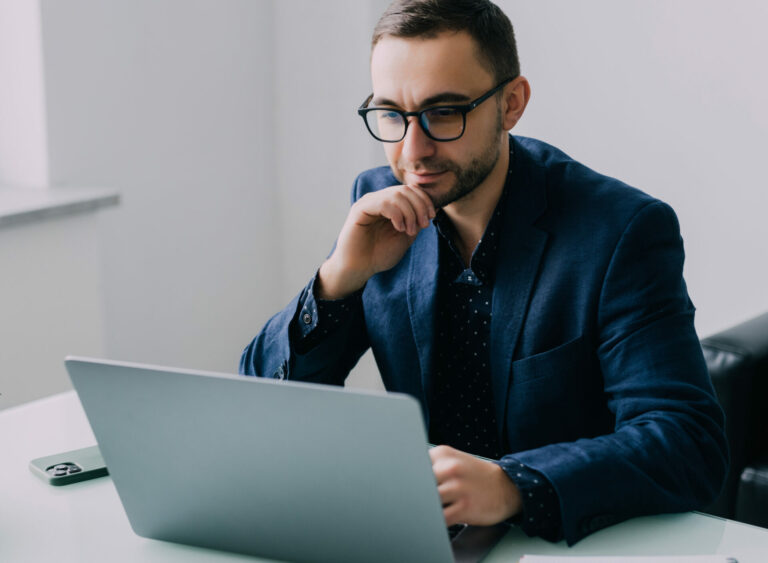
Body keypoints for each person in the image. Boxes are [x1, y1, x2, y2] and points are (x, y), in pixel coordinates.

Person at [240, 0, 727, 545]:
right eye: (391, 115)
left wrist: (512, 485)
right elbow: (261, 406)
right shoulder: (379, 205)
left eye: (444, 112)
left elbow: (687, 441)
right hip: (426, 538)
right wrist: (338, 277)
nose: (412, 149)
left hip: (566, 540)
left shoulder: (621, 231)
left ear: (512, 104)